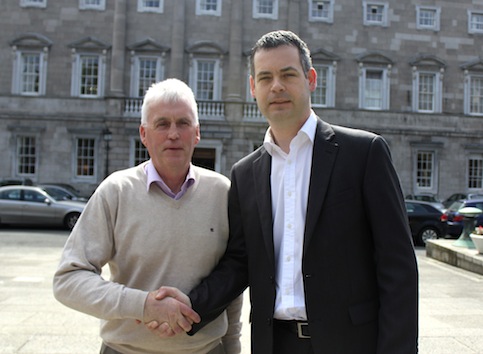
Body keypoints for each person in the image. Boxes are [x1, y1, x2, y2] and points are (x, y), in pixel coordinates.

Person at [154, 30, 419, 353]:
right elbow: (239, 263)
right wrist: (190, 305)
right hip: (274, 344)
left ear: (310, 79)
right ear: (253, 88)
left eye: (287, 74)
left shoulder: (364, 154)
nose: (276, 86)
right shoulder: (245, 174)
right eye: (265, 77)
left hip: (351, 344)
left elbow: (398, 268)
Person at [53, 78, 243, 354]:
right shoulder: (115, 191)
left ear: (197, 132)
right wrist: (144, 306)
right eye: (162, 124)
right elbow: (68, 280)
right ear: (144, 133)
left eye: (183, 123)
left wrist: (232, 348)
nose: (173, 134)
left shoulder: (222, 193)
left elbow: (232, 284)